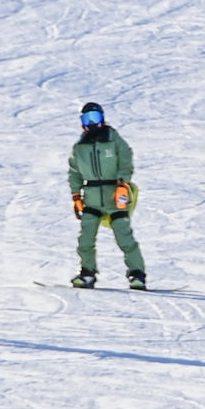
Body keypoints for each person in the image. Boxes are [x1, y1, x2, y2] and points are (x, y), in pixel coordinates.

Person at [67, 101, 146, 290]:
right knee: (85, 239)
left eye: (96, 118)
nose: (92, 123)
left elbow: (125, 158)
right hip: (92, 197)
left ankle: (137, 275)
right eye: (87, 119)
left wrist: (123, 182)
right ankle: (87, 273)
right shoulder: (80, 147)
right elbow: (74, 171)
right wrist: (76, 195)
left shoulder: (112, 139)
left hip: (114, 196)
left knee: (124, 237)